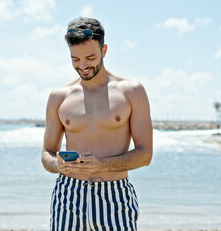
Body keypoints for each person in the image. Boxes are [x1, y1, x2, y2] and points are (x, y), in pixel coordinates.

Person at [41, 17, 153, 230]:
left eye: (90, 57)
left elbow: (145, 155)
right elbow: (47, 154)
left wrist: (103, 164)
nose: (82, 66)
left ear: (104, 50)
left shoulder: (132, 92)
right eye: (75, 59)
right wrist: (58, 165)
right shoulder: (59, 97)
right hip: (68, 196)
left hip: (115, 197)